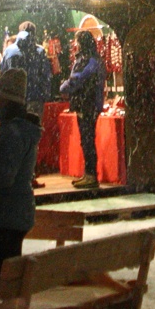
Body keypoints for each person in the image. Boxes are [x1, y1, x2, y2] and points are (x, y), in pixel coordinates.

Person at [0, 69, 40, 281]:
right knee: (7, 273)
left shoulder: (12, 133)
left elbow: (3, 175)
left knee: (4, 276)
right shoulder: (18, 130)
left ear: (7, 102)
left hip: (4, 215)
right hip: (12, 214)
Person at [58, 30, 106, 190]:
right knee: (86, 139)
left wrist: (64, 87)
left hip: (87, 104)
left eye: (76, 41)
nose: (74, 44)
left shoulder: (87, 60)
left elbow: (77, 79)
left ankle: (91, 175)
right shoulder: (93, 59)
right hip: (89, 104)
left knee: (87, 139)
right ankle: (89, 173)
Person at [1, 21, 52, 109]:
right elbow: (46, 76)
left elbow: (3, 75)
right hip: (35, 98)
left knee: (15, 122)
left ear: (19, 32)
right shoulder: (40, 51)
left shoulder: (9, 51)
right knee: (33, 122)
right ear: (34, 33)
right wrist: (45, 95)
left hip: (14, 99)